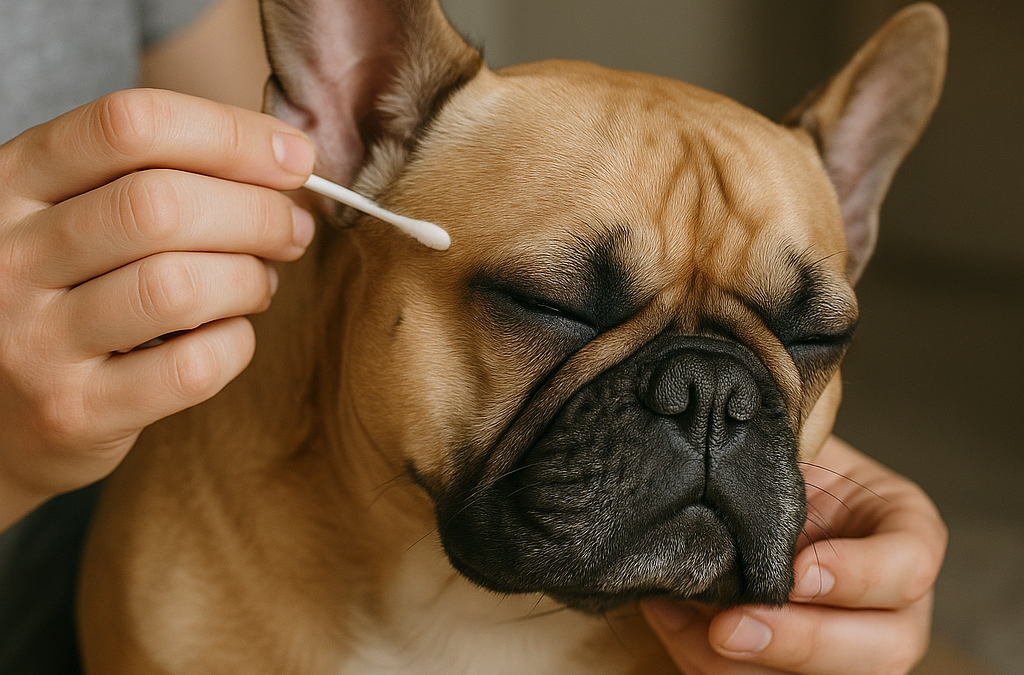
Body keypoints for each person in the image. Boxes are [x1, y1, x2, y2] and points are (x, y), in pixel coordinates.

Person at [0, 0, 946, 673]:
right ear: (360, 119)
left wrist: (787, 492)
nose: (704, 413)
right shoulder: (179, 606)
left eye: (803, 337)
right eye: (554, 307)